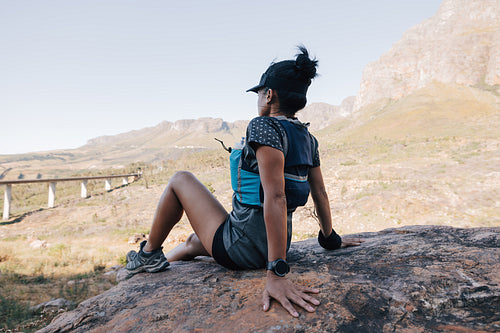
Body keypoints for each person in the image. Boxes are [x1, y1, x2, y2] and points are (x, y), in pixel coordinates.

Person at [125, 46, 364, 317]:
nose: (258, 99)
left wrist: (277, 274)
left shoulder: (263, 127)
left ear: (269, 94)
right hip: (274, 245)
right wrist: (330, 239)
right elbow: (319, 192)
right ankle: (156, 264)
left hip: (241, 247)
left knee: (181, 179)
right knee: (193, 241)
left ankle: (147, 255)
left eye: (260, 92)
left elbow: (275, 196)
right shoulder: (307, 138)